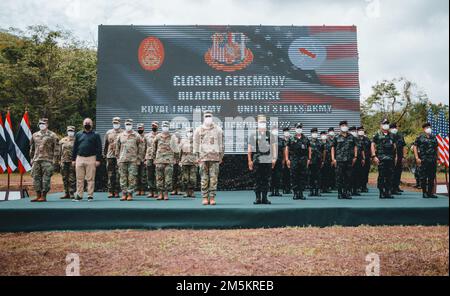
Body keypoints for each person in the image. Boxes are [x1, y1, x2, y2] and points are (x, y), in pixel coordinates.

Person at [193, 110, 224, 206]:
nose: (208, 118)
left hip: (214, 158)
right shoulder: (198, 129)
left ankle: (212, 197)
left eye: (209, 116)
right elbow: (195, 144)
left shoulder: (218, 129)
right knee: (204, 178)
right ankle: (205, 197)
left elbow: (221, 144)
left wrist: (221, 156)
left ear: (212, 117)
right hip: (203, 158)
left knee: (213, 179)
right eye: (206, 116)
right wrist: (196, 157)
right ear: (203, 117)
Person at [72, 118, 102, 201]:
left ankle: (90, 195)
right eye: (86, 123)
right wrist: (73, 159)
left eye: (89, 123)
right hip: (79, 158)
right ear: (83, 124)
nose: (87, 124)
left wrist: (98, 159)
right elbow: (75, 147)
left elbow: (99, 148)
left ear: (92, 124)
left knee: (90, 178)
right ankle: (79, 195)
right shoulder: (78, 134)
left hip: (91, 158)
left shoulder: (96, 134)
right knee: (79, 178)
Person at [30, 118, 60, 202]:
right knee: (36, 177)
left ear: (47, 125)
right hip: (36, 159)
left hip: (48, 160)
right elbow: (32, 148)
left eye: (43, 123)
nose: (41, 125)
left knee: (46, 179)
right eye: (40, 123)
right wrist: (32, 158)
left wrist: (55, 161)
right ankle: (38, 195)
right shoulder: (35, 134)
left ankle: (44, 196)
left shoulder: (53, 135)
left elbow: (57, 149)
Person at [248, 115, 276, 204]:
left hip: (267, 159)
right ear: (257, 123)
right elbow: (249, 149)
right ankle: (257, 198)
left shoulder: (270, 134)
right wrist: (249, 161)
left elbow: (273, 147)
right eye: (261, 122)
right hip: (257, 160)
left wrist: (274, 158)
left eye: (264, 122)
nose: (262, 123)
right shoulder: (253, 135)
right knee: (257, 179)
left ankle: (265, 198)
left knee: (266, 179)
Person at [115, 119, 143, 201]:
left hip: (133, 160)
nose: (128, 126)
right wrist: (117, 158)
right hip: (122, 159)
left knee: (132, 177)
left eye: (129, 124)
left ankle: (130, 194)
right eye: (127, 124)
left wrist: (139, 159)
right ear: (124, 125)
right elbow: (117, 148)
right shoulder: (120, 135)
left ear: (132, 125)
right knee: (123, 177)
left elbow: (140, 148)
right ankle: (124, 193)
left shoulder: (136, 135)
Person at [331, 120, 357, 199]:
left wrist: (355, 157)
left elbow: (355, 146)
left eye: (345, 125)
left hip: (349, 160)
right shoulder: (336, 137)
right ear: (340, 127)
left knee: (348, 177)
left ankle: (347, 192)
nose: (344, 127)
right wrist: (333, 158)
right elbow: (332, 148)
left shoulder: (351, 137)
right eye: (342, 125)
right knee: (339, 177)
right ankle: (340, 193)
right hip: (339, 160)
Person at [153, 121, 179, 200]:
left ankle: (166, 193)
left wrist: (176, 159)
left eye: (166, 126)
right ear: (161, 127)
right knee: (159, 177)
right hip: (159, 160)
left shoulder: (172, 137)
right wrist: (154, 158)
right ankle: (160, 193)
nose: (165, 127)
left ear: (169, 127)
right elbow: (154, 148)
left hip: (169, 160)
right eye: (164, 126)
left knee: (168, 178)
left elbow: (176, 149)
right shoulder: (157, 136)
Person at [371, 119, 397, 199]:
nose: (386, 125)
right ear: (381, 125)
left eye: (387, 123)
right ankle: (381, 192)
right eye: (384, 123)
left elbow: (395, 146)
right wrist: (374, 156)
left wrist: (396, 157)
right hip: (381, 158)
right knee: (382, 176)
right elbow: (372, 145)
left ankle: (388, 192)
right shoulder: (377, 134)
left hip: (390, 158)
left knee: (390, 176)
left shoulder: (392, 135)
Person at [285, 123, 310, 200]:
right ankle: (295, 193)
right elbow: (287, 148)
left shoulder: (305, 138)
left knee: (302, 176)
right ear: (294, 128)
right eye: (297, 127)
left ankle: (301, 193)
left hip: (303, 159)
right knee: (294, 176)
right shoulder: (291, 138)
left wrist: (309, 159)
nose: (299, 128)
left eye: (300, 127)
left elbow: (309, 149)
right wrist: (287, 159)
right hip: (294, 159)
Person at [413, 122, 439, 198]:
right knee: (423, 176)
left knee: (432, 176)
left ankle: (430, 192)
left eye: (429, 127)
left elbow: (437, 148)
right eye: (427, 127)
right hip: (423, 160)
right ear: (424, 129)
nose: (429, 129)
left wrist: (438, 157)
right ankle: (424, 192)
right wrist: (417, 157)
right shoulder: (420, 137)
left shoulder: (433, 137)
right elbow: (415, 147)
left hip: (432, 159)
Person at [103, 117, 122, 198]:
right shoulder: (108, 132)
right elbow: (105, 145)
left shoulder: (123, 132)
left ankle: (117, 191)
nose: (116, 124)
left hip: (120, 156)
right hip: (110, 156)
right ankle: (110, 191)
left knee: (119, 174)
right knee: (111, 174)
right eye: (114, 122)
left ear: (120, 123)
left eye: (117, 122)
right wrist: (104, 154)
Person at [59, 126, 76, 199]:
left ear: (74, 131)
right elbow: (59, 151)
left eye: (71, 131)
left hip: (72, 161)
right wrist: (59, 160)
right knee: (64, 177)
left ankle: (72, 193)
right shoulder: (62, 140)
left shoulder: (76, 140)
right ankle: (66, 193)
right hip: (63, 161)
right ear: (67, 131)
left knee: (72, 178)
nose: (70, 132)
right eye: (69, 131)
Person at [179, 127, 197, 198]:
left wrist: (198, 160)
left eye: (191, 131)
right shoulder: (183, 141)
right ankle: (186, 192)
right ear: (186, 133)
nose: (190, 133)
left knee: (192, 178)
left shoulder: (196, 141)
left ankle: (192, 192)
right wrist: (180, 161)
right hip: (184, 161)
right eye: (188, 131)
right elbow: (179, 151)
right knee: (185, 178)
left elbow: (198, 152)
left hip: (193, 161)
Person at [390, 123, 407, 195]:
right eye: (393, 127)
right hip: (390, 157)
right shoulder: (388, 136)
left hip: (400, 157)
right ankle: (391, 188)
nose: (395, 129)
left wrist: (404, 156)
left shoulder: (400, 136)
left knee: (398, 172)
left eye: (396, 127)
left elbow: (404, 147)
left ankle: (396, 186)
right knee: (392, 172)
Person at [349, 126, 365, 196]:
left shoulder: (358, 140)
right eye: (352, 131)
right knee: (349, 175)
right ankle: (349, 190)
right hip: (349, 159)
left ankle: (355, 190)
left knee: (357, 175)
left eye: (354, 131)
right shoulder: (348, 139)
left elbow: (362, 150)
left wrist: (363, 158)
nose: (353, 132)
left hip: (358, 159)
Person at [144, 121, 159, 198]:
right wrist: (144, 158)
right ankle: (151, 191)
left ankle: (156, 191)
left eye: (155, 126)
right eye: (153, 126)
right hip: (149, 157)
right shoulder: (147, 136)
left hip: (158, 158)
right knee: (149, 175)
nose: (154, 127)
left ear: (158, 126)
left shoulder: (160, 135)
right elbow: (144, 147)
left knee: (157, 174)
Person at [309, 128, 324, 197]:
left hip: (318, 161)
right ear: (311, 133)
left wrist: (323, 160)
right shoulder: (308, 142)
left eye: (315, 132)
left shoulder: (320, 142)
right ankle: (311, 191)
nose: (314, 133)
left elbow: (324, 152)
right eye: (313, 132)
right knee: (311, 176)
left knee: (318, 177)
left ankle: (317, 191)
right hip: (311, 162)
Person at [269, 124, 283, 197]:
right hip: (270, 160)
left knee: (278, 176)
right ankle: (272, 191)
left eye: (276, 130)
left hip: (279, 160)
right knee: (271, 176)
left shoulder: (281, 140)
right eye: (273, 130)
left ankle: (277, 191)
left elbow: (284, 150)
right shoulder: (268, 139)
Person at [358, 126, 371, 192]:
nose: (361, 131)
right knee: (358, 173)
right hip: (358, 159)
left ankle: (364, 186)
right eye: (360, 130)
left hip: (367, 158)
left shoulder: (367, 139)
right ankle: (358, 186)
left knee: (366, 173)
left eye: (362, 130)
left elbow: (370, 148)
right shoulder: (356, 139)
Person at [136, 123, 147, 196]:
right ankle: (138, 189)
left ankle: (143, 190)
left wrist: (146, 158)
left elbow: (148, 147)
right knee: (136, 175)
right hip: (136, 158)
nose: (140, 129)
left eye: (141, 128)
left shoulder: (146, 136)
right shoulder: (135, 136)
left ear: (143, 128)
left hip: (144, 158)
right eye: (139, 128)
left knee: (143, 175)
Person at [171, 129, 182, 196]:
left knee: (179, 176)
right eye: (176, 137)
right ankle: (174, 189)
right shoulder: (171, 144)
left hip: (180, 162)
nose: (177, 138)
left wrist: (180, 161)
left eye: (178, 137)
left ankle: (179, 189)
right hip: (173, 162)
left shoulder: (182, 144)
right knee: (173, 176)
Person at [281, 127, 292, 194]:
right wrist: (283, 159)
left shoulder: (291, 140)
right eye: (285, 131)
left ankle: (289, 188)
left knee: (290, 174)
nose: (286, 133)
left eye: (287, 131)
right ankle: (284, 188)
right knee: (284, 174)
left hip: (291, 159)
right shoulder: (282, 141)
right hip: (283, 159)